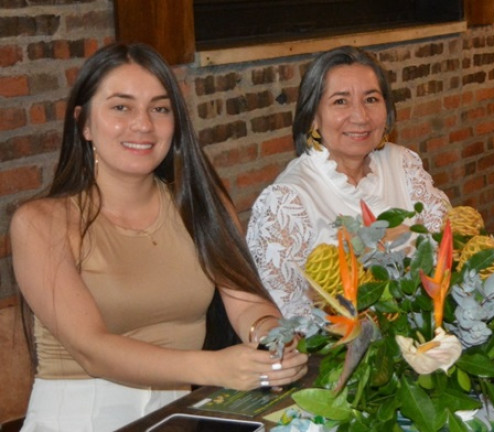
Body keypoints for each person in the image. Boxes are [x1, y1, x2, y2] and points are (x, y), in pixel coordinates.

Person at [10, 43, 308, 431]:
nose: (143, 124)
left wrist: (272, 336)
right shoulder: (40, 222)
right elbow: (92, 349)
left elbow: (247, 304)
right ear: (83, 122)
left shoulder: (201, 203)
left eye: (160, 108)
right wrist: (216, 367)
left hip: (178, 417)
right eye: (121, 107)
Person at [246, 46, 451, 319]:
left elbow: (449, 248)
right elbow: (282, 315)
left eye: (371, 99)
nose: (360, 116)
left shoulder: (403, 164)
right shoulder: (287, 200)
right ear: (312, 118)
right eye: (340, 101)